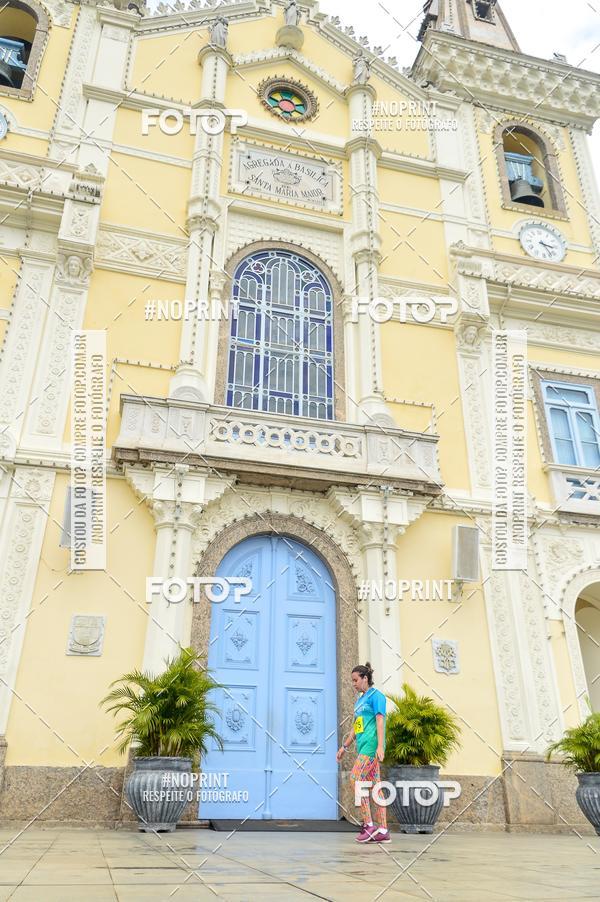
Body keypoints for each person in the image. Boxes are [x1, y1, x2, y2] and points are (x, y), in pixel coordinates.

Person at [337, 662, 391, 843]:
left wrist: (380, 746)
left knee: (355, 779)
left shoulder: (377, 697)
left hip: (371, 748)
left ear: (365, 678)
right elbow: (356, 726)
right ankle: (383, 830)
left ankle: (369, 825)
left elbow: (380, 721)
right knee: (376, 788)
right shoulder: (359, 701)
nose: (353, 684)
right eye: (352, 681)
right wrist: (344, 747)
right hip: (362, 747)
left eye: (355, 680)